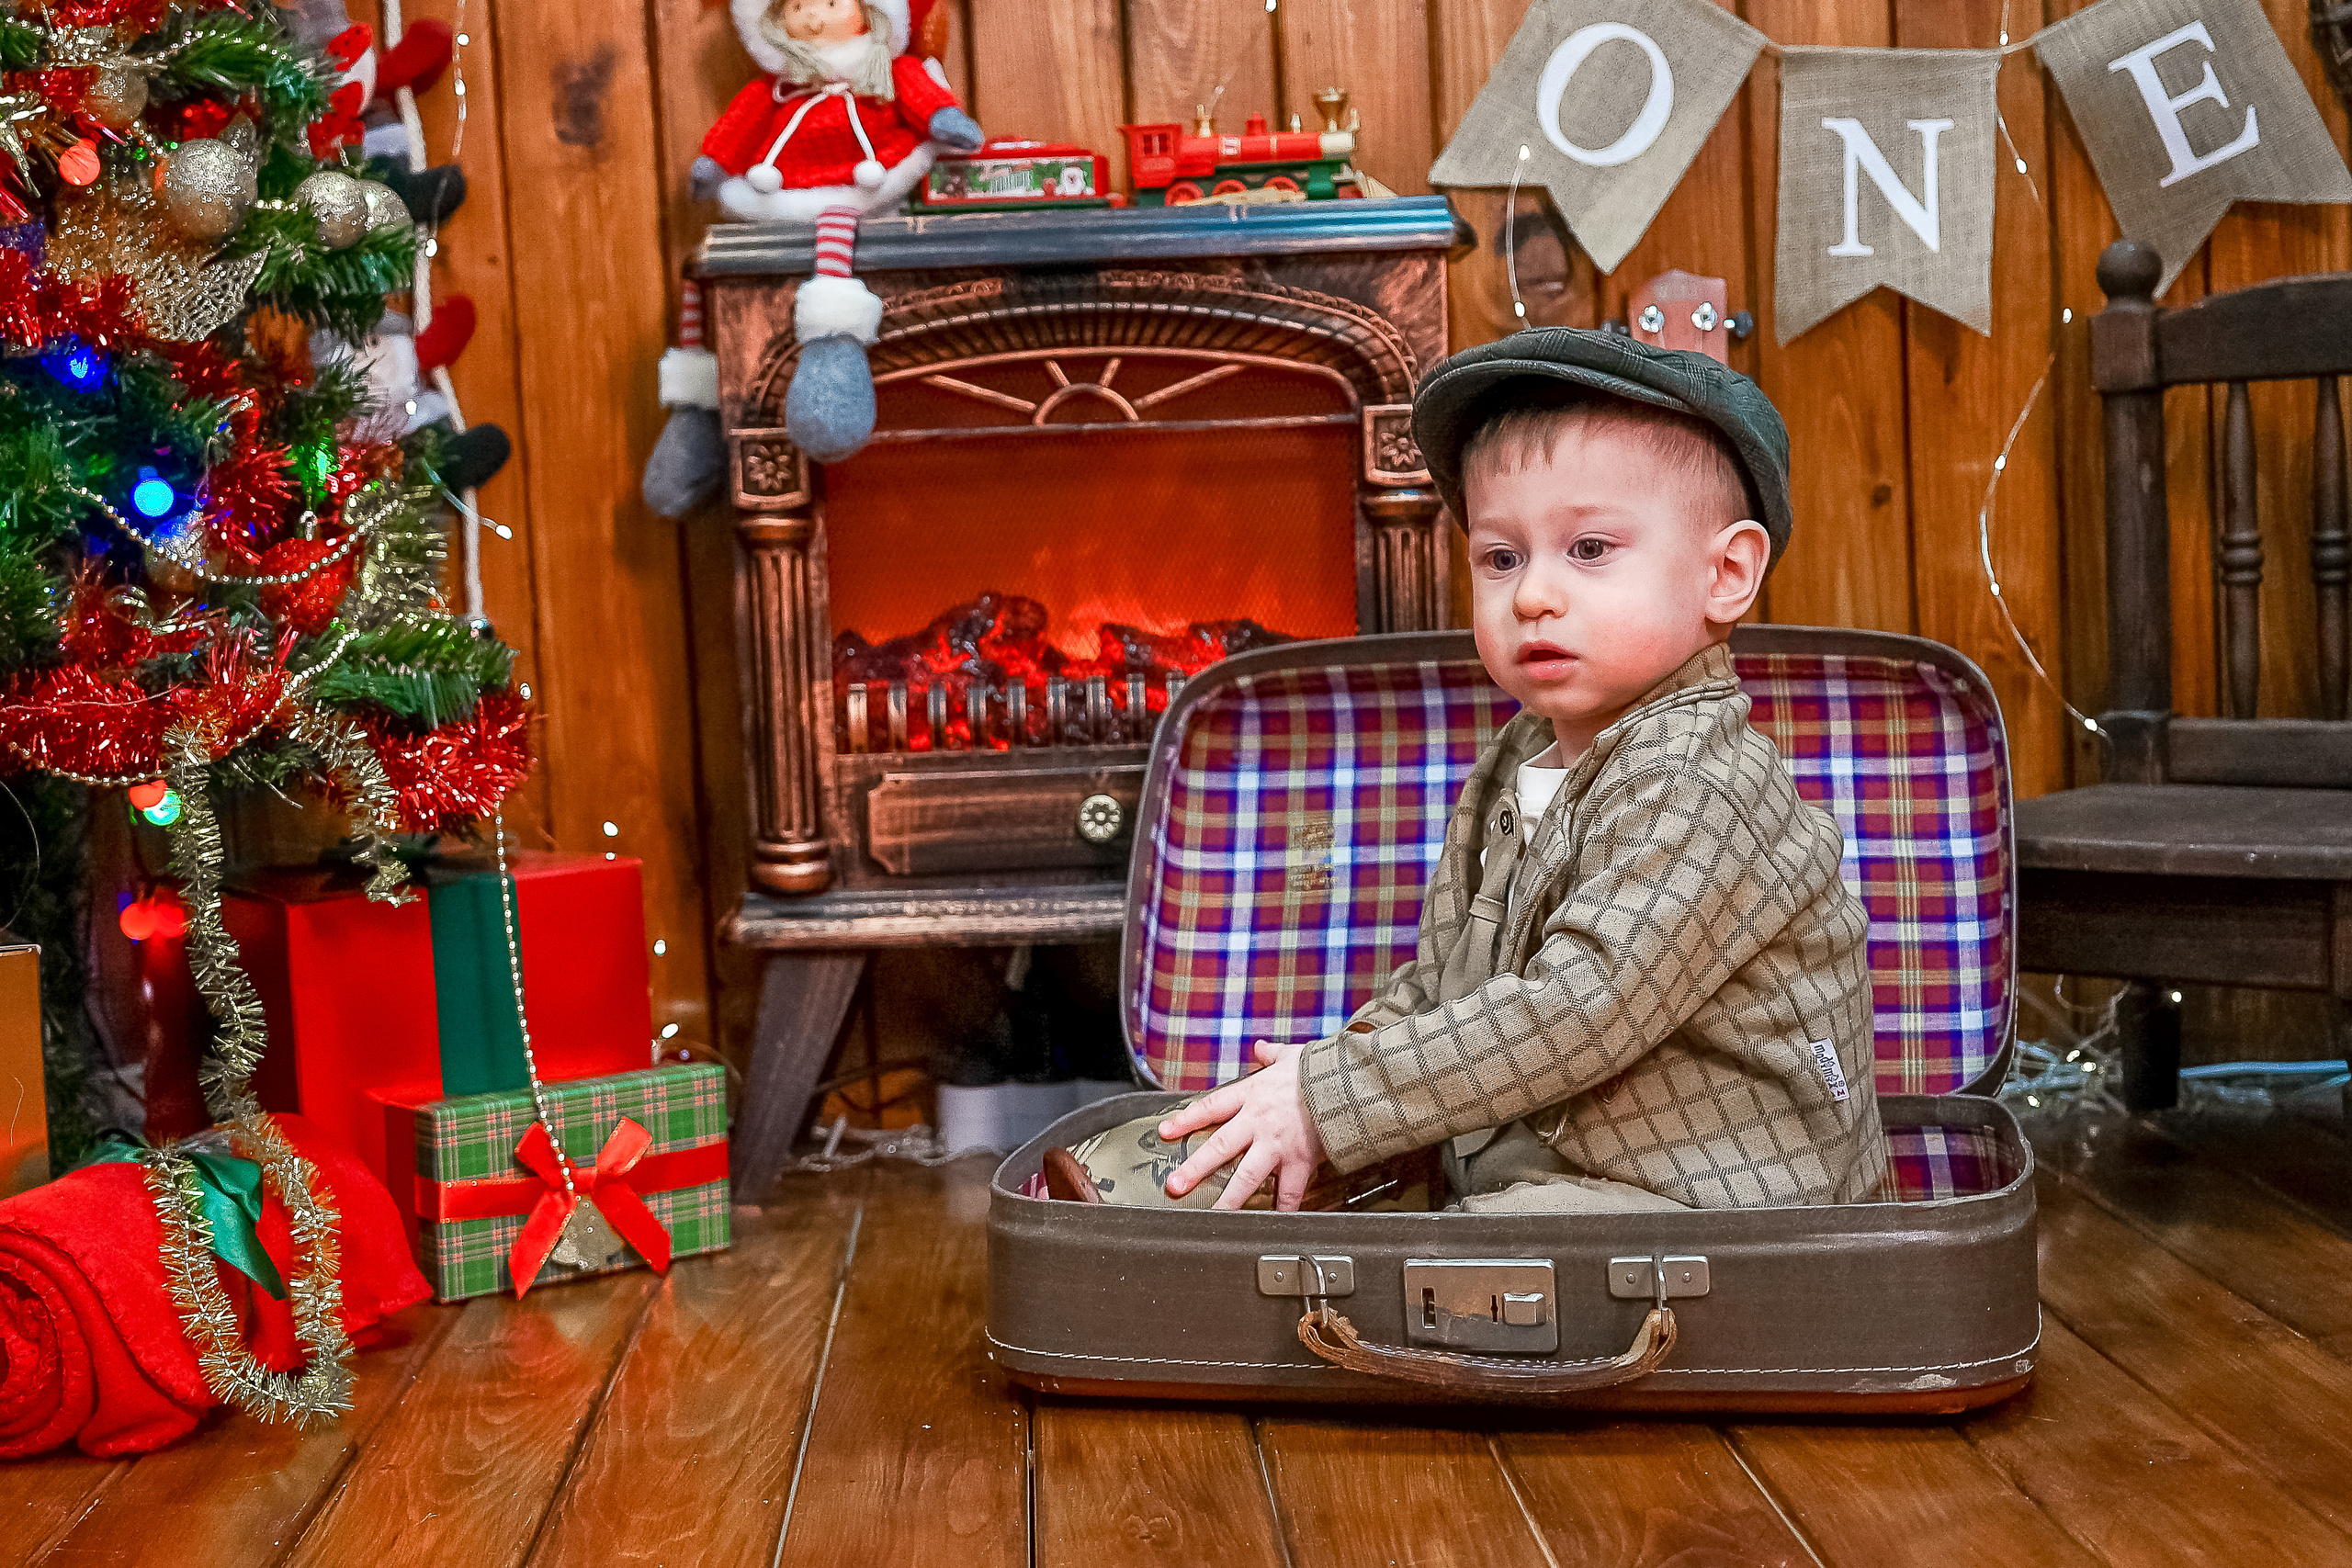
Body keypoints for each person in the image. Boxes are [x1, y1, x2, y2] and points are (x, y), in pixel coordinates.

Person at [1065, 329, 1886, 1214]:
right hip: (1539, 1165)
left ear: (1725, 573)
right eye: (1502, 557)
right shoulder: (1515, 763)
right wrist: (1318, 1083)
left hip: (1731, 1208)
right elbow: (1442, 981)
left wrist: (1335, 1098)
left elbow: (1579, 1010)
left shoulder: (1705, 781)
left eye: (1590, 549)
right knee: (1319, 1157)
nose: (1532, 594)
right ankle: (1191, 1184)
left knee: (1469, 1248)